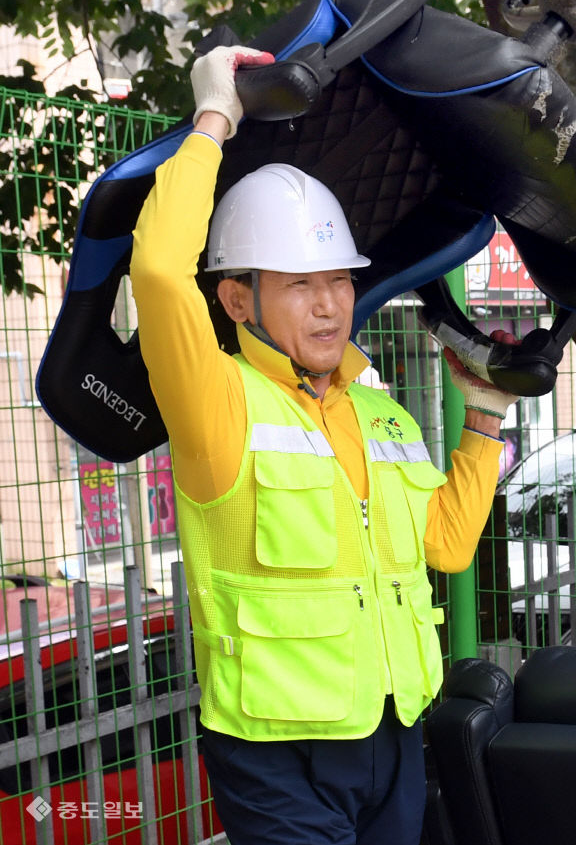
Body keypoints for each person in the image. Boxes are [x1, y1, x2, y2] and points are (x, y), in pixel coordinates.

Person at [130, 45, 519, 845]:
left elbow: (444, 544)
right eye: (299, 283)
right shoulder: (220, 402)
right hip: (276, 750)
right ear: (239, 298)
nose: (329, 304)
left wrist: (483, 416)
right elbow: (163, 273)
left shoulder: (382, 412)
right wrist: (215, 115)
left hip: (390, 732)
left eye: (339, 280)